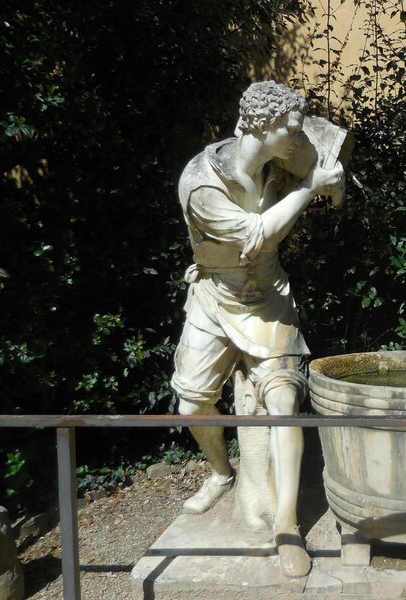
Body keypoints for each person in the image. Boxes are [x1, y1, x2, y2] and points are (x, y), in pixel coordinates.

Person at [170, 81, 343, 577]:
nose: (300, 133)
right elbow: (255, 234)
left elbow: (336, 186)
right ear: (261, 125)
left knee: (284, 402)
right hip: (215, 295)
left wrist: (331, 175)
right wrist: (312, 187)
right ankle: (222, 473)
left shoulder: (281, 158)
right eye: (293, 124)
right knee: (191, 402)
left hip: (268, 297)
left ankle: (287, 523)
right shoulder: (202, 182)